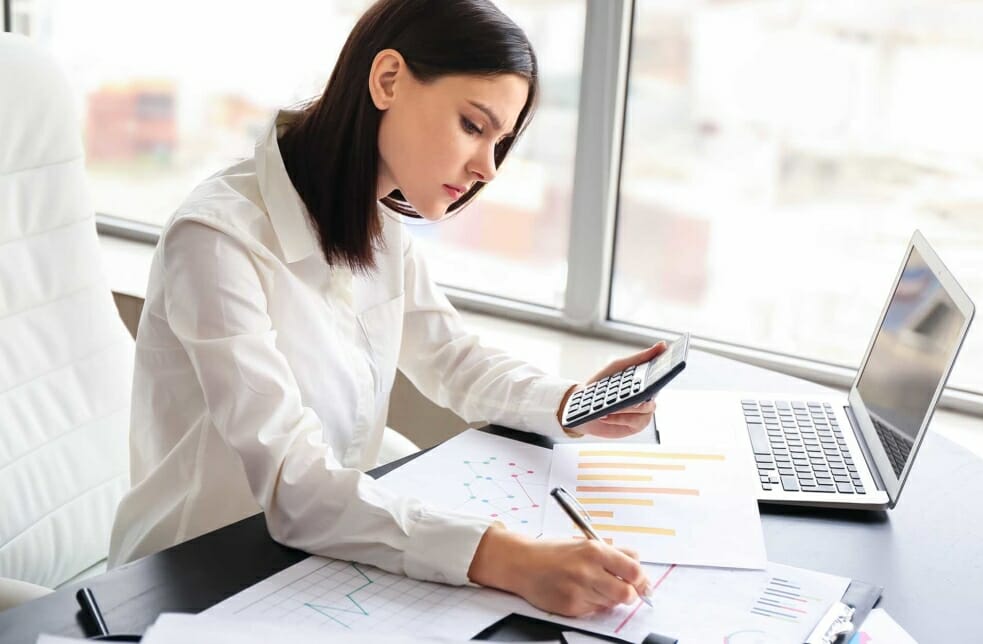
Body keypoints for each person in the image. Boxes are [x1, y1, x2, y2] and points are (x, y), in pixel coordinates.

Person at [108, 0, 666, 618]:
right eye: (472, 126)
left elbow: (452, 358)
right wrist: (510, 558)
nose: (486, 167)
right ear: (388, 80)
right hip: (196, 583)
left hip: (320, 562)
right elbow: (293, 485)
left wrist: (571, 404)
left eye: (499, 143)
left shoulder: (375, 224)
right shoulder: (217, 240)